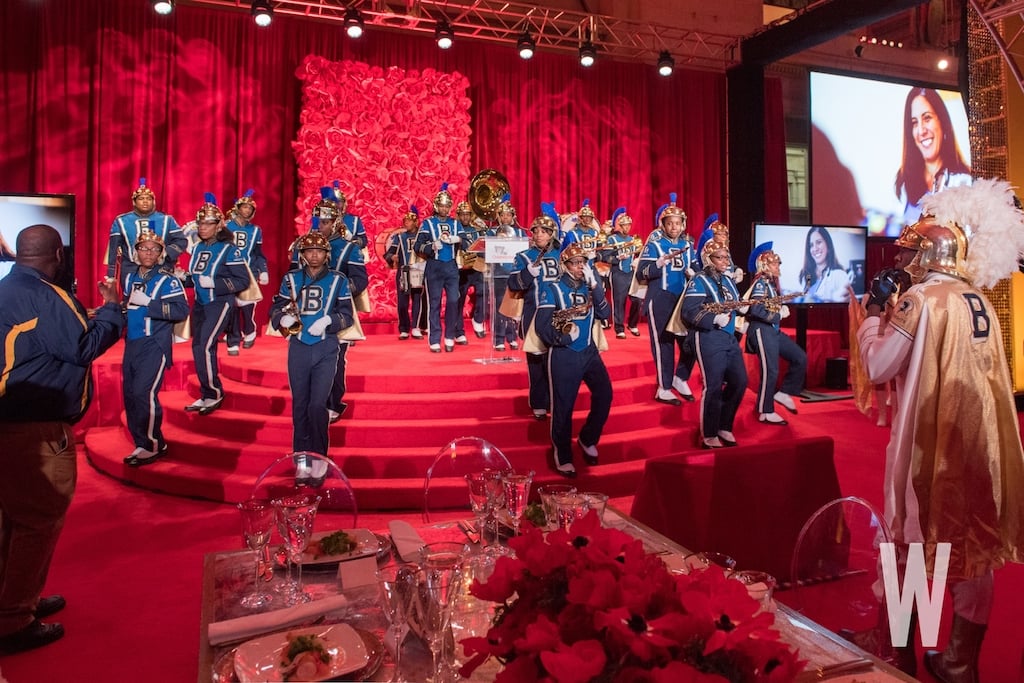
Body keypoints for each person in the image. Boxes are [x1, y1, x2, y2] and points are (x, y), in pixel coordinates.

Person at [857, 179, 1024, 683]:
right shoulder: (980, 300)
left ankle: (901, 652)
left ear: (928, 253)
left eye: (910, 251)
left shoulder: (921, 299)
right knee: (970, 548)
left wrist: (870, 317)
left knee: (911, 542)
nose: (904, 260)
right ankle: (958, 660)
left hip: (927, 443)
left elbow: (879, 365)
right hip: (978, 445)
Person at [0, 225, 125, 653]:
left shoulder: (7, 288)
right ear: (58, 252)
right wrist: (111, 310)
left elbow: (47, 338)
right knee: (38, 520)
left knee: (12, 520)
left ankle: (15, 602)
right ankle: (14, 618)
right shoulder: (46, 294)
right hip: (34, 428)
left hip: (7, 424)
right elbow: (82, 348)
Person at [270, 230, 354, 458]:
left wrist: (328, 321)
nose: (314, 255)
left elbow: (348, 316)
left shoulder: (339, 280)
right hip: (297, 347)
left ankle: (318, 455)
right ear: (303, 254)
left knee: (317, 405)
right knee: (300, 405)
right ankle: (301, 455)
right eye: (310, 251)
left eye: (319, 251)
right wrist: (282, 319)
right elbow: (276, 308)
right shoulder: (291, 278)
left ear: (326, 254)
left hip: (326, 347)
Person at [534, 237, 612, 478]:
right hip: (564, 354)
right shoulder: (553, 288)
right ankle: (563, 455)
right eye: (575, 263)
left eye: (583, 262)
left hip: (589, 351)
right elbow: (542, 327)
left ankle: (588, 438)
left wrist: (596, 285)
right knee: (563, 407)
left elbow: (605, 313)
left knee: (605, 394)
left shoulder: (589, 286)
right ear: (565, 265)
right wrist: (564, 338)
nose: (580, 267)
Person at [120, 229, 189, 466]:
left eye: (154, 249)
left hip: (154, 344)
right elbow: (127, 306)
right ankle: (141, 442)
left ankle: (153, 444)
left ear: (161, 253)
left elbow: (181, 311)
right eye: (143, 248)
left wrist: (150, 304)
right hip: (132, 344)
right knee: (129, 395)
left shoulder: (167, 279)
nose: (148, 252)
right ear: (136, 251)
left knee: (143, 393)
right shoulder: (129, 277)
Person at [183, 194, 250, 416]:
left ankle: (213, 392)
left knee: (205, 344)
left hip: (219, 303)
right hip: (201, 303)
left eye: (208, 223)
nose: (202, 227)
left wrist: (216, 283)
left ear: (219, 225)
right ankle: (207, 392)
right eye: (200, 223)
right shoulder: (199, 248)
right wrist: (180, 277)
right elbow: (196, 277)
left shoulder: (230, 249)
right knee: (197, 346)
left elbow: (242, 280)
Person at [681, 230, 747, 449]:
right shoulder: (698, 281)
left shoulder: (728, 281)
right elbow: (689, 311)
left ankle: (724, 425)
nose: (725, 261)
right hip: (708, 337)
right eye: (720, 257)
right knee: (714, 385)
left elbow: (733, 303)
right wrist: (713, 318)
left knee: (740, 381)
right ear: (708, 259)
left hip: (729, 337)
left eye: (726, 257)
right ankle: (708, 434)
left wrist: (743, 310)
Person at [636, 193, 696, 405]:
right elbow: (641, 273)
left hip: (683, 300)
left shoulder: (689, 245)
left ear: (683, 224)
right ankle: (664, 387)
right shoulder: (654, 245)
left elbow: (698, 270)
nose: (674, 227)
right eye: (670, 223)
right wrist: (657, 265)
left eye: (678, 223)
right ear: (663, 224)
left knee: (691, 343)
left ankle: (680, 377)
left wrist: (694, 273)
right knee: (664, 344)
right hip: (660, 298)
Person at [508, 204, 562, 419]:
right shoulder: (523, 256)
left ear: (552, 234)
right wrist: (527, 274)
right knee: (536, 360)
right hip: (534, 314)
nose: (539, 235)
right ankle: (539, 402)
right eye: (536, 231)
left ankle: (557, 399)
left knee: (558, 359)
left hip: (558, 313)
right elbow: (513, 284)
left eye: (544, 231)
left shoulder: (561, 254)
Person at [743, 242, 805, 425]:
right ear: (764, 266)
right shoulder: (761, 284)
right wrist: (778, 314)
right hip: (762, 330)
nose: (778, 267)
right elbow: (756, 310)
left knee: (799, 357)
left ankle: (784, 393)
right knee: (770, 370)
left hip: (773, 331)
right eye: (774, 264)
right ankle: (765, 410)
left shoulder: (771, 284)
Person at [894, 87, 972, 225]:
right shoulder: (903, 181)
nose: (921, 130)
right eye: (914, 123)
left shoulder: (965, 181)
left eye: (927, 118)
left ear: (943, 122)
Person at [415, 183, 464, 353]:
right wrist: (431, 247)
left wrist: (457, 239)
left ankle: (450, 335)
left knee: (453, 301)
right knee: (434, 303)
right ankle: (434, 338)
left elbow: (466, 240)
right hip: (434, 267)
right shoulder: (428, 223)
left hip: (451, 266)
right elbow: (417, 245)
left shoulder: (456, 223)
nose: (444, 209)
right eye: (441, 205)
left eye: (447, 205)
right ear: (436, 206)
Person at [105, 177, 187, 279]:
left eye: (148, 199)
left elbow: (182, 241)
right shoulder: (121, 221)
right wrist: (111, 274)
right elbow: (113, 249)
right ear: (134, 202)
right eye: (141, 199)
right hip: (131, 270)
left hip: (161, 268)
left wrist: (166, 254)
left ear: (154, 202)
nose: (145, 202)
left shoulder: (167, 220)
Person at [224, 190, 269, 355]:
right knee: (232, 308)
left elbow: (258, 254)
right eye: (244, 207)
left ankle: (249, 330)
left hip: (248, 272)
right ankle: (233, 341)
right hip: (229, 272)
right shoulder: (226, 226)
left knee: (247, 307)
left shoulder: (256, 230)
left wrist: (263, 271)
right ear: (238, 208)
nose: (247, 211)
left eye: (250, 208)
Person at [488, 195, 528, 351]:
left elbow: (526, 251)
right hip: (498, 274)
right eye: (503, 215)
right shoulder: (492, 232)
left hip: (515, 275)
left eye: (508, 215)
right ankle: (498, 338)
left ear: (513, 216)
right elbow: (483, 251)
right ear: (498, 216)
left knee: (514, 307)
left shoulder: (520, 233)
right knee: (500, 307)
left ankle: (512, 336)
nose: (505, 218)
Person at [384, 205, 426, 340]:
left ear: (416, 222)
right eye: (405, 221)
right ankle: (404, 328)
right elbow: (389, 253)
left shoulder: (422, 235)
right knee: (402, 302)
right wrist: (392, 257)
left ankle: (415, 327)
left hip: (419, 270)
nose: (406, 223)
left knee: (418, 300)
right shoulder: (400, 237)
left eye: (409, 221)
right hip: (404, 271)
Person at [601, 207, 642, 339]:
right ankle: (619, 328)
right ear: (619, 226)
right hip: (618, 272)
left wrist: (636, 260)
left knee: (637, 300)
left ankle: (632, 323)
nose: (627, 228)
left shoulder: (633, 239)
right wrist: (616, 258)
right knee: (619, 301)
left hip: (631, 272)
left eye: (629, 225)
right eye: (624, 225)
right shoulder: (612, 239)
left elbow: (638, 254)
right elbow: (604, 256)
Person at [455, 201, 486, 340]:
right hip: (461, 270)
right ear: (458, 215)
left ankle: (478, 319)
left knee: (483, 293)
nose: (465, 217)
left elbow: (483, 246)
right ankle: (459, 332)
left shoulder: (476, 229)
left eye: (468, 214)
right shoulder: (454, 229)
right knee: (459, 300)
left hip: (477, 267)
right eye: (463, 215)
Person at [798, 226, 850, 303]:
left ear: (828, 246)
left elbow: (845, 302)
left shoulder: (840, 275)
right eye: (811, 245)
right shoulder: (806, 275)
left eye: (818, 242)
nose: (815, 249)